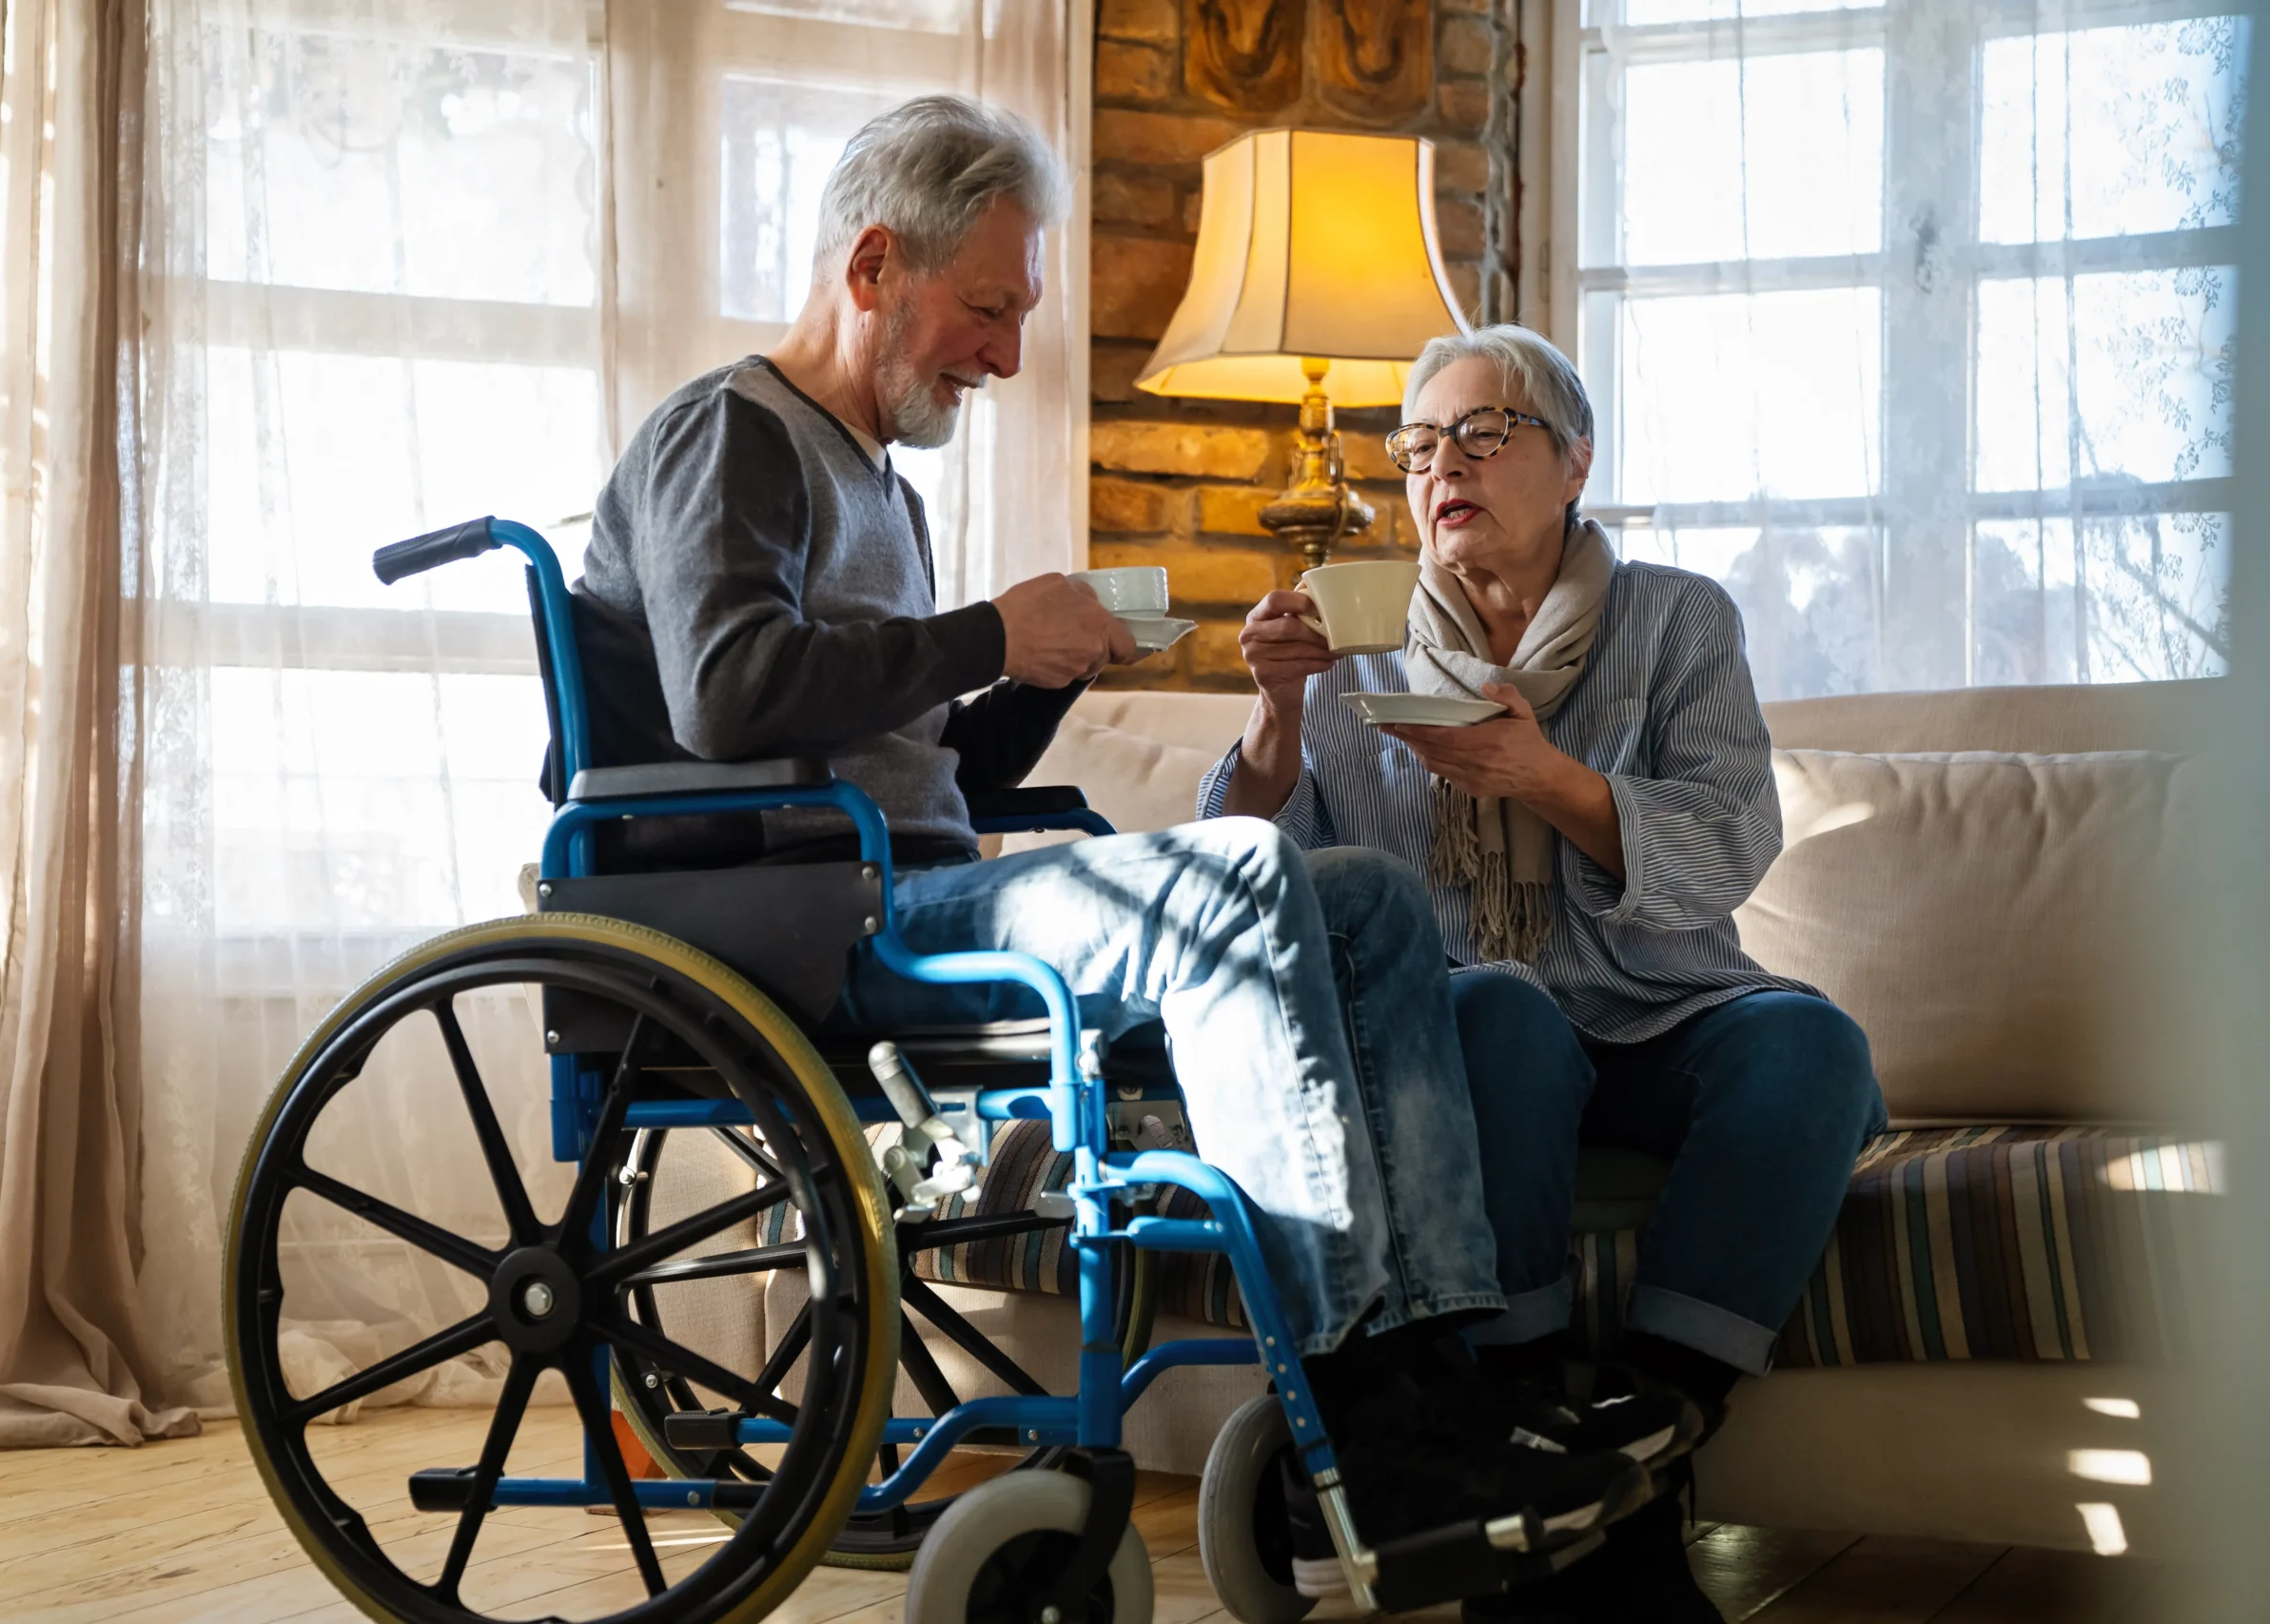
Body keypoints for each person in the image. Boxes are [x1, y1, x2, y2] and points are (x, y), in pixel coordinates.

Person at [568, 99, 1676, 1588]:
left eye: (1018, 319)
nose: (1007, 357)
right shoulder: (731, 434)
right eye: (990, 310)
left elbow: (919, 769)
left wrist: (1038, 673)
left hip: (907, 878)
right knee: (1249, 875)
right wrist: (981, 630)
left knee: (1369, 906)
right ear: (877, 264)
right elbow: (722, 696)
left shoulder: (876, 485)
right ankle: (1363, 1412)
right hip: (810, 911)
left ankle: (1430, 1385)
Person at [1203, 323, 1887, 1621]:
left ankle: (1644, 1420)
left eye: (1480, 433)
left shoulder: (1679, 619)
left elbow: (1735, 834)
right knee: (1497, 1010)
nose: (1439, 466)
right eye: (1416, 447)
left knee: (1813, 1046)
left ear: (1576, 461)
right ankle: (1526, 1448)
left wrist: (1553, 783)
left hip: (1661, 1003)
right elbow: (1271, 891)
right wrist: (1277, 716)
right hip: (1481, 1020)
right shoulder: (1355, 648)